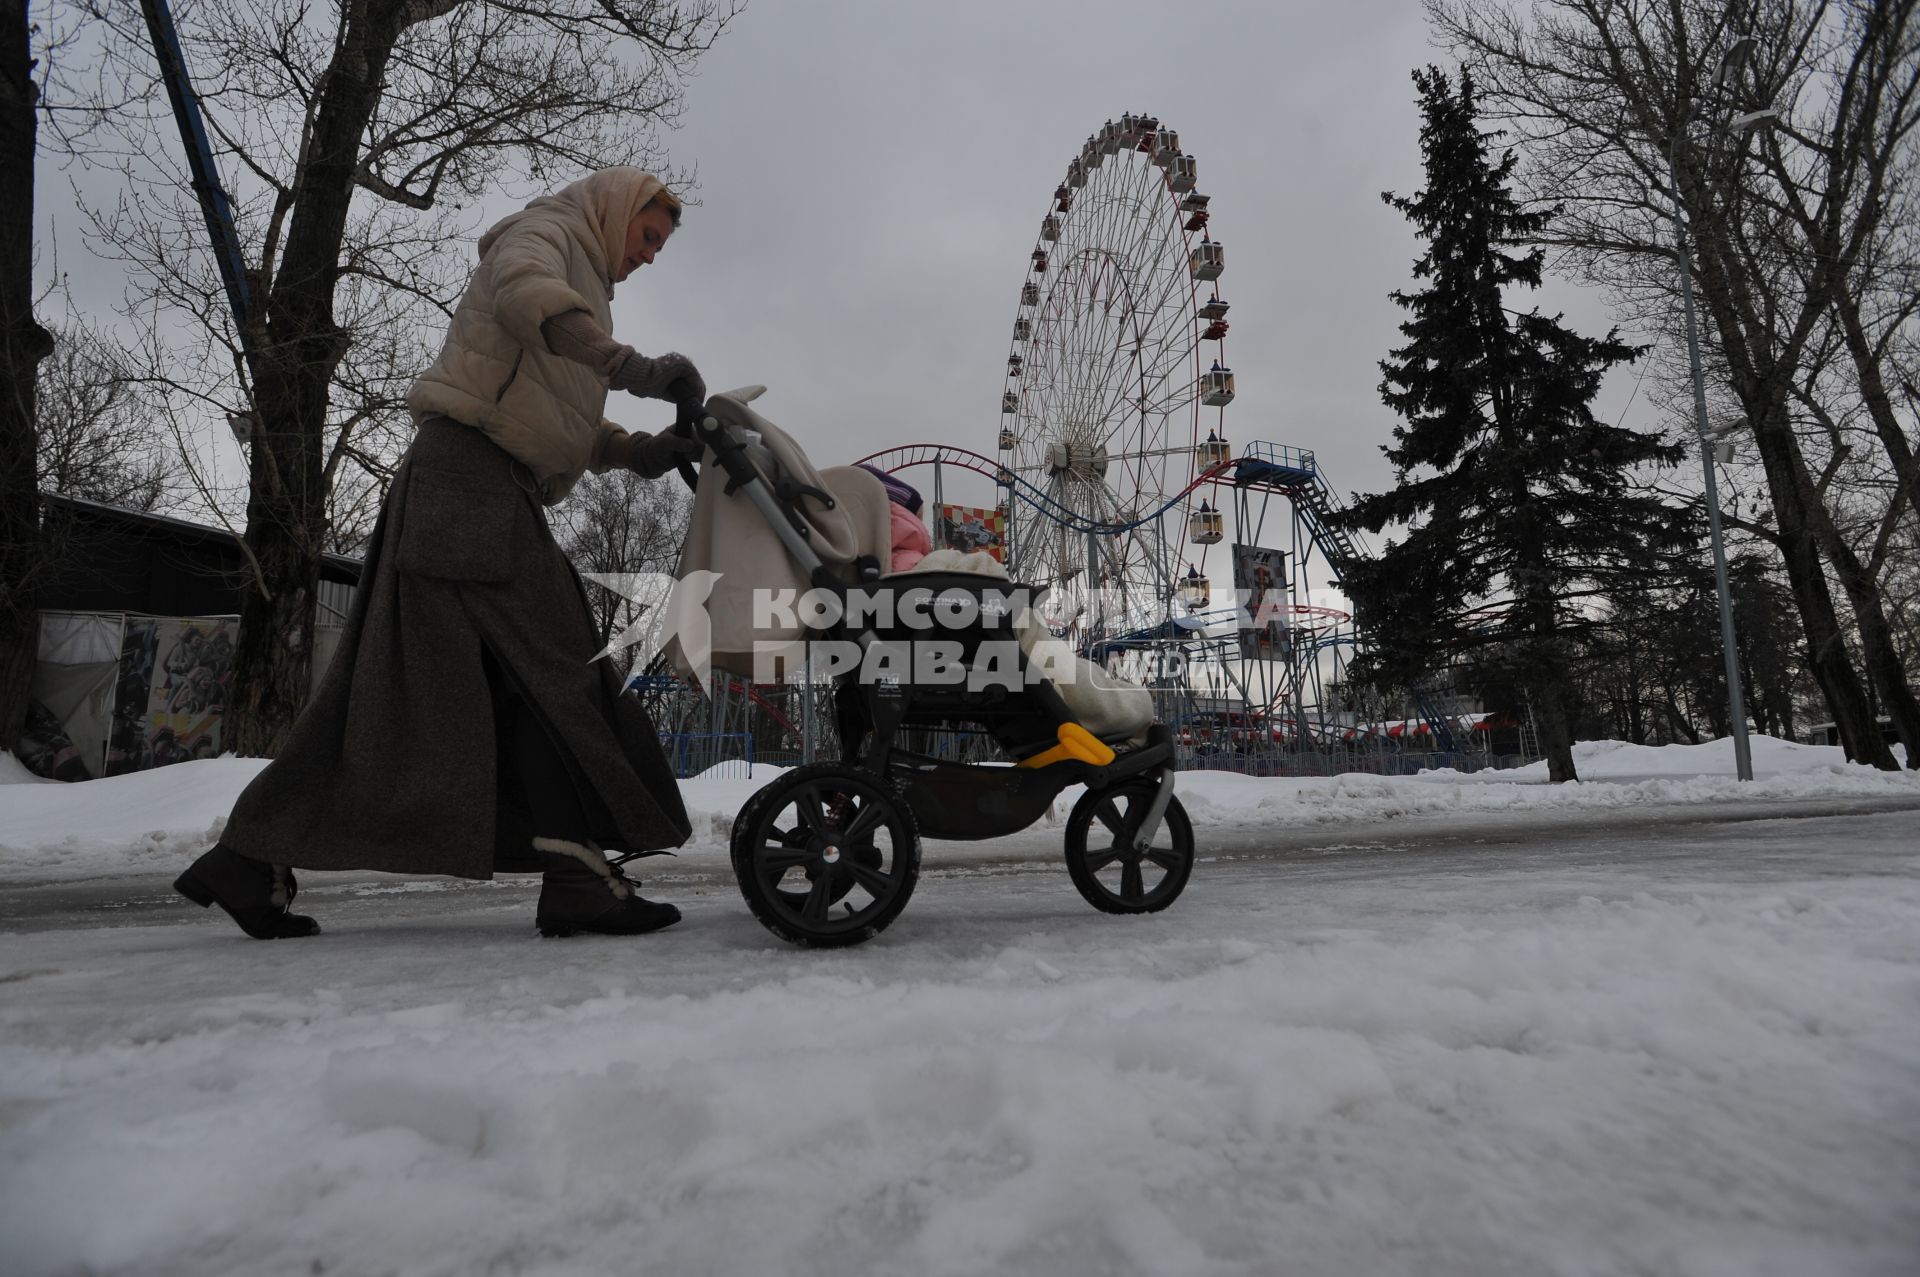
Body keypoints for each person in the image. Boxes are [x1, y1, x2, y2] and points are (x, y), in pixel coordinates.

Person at [173, 168, 705, 941]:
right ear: (616, 210)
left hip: (482, 489)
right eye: (648, 235)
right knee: (564, 672)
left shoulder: (580, 280)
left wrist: (644, 451)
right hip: (470, 489)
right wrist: (637, 371)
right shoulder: (544, 235)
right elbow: (527, 298)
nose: (651, 254)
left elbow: (554, 423)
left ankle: (246, 860)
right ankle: (575, 878)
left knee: (399, 694)